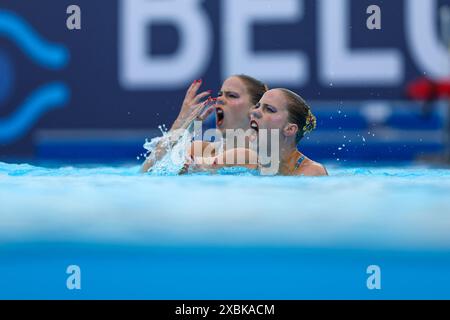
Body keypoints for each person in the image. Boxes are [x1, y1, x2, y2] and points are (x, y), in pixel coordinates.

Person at [185, 88, 328, 176]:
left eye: (269, 109)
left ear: (290, 129)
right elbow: (184, 165)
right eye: (258, 106)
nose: (254, 112)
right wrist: (182, 127)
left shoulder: (312, 173)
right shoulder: (245, 158)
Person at [141, 75, 267, 173]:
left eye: (232, 96)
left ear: (255, 110)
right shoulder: (199, 149)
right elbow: (145, 174)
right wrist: (179, 126)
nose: (220, 99)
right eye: (220, 95)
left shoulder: (262, 158)